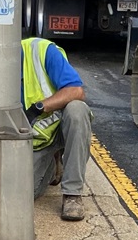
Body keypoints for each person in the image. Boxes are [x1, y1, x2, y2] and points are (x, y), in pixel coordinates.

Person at [23, 36, 92, 221]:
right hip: (36, 142)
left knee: (77, 110)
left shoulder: (41, 51)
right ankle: (53, 166)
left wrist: (38, 108)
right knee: (20, 194)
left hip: (60, 128)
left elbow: (76, 91)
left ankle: (72, 195)